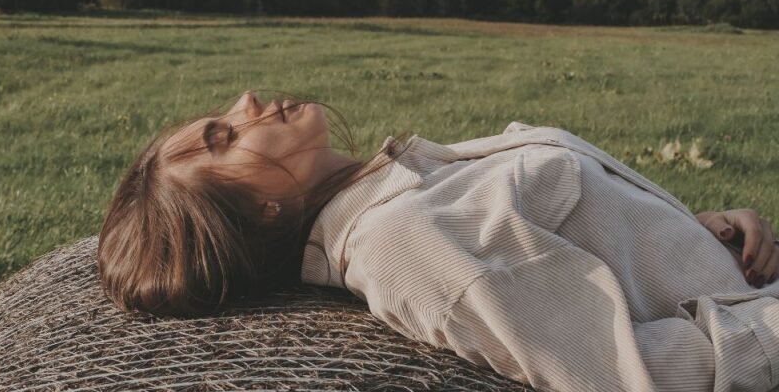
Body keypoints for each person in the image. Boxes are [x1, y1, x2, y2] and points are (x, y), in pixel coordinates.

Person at [97, 89, 779, 392]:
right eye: (224, 137)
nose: (245, 102)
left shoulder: (404, 188)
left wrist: (695, 235)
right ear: (262, 210)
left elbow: (587, 251)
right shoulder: (406, 242)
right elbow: (643, 378)